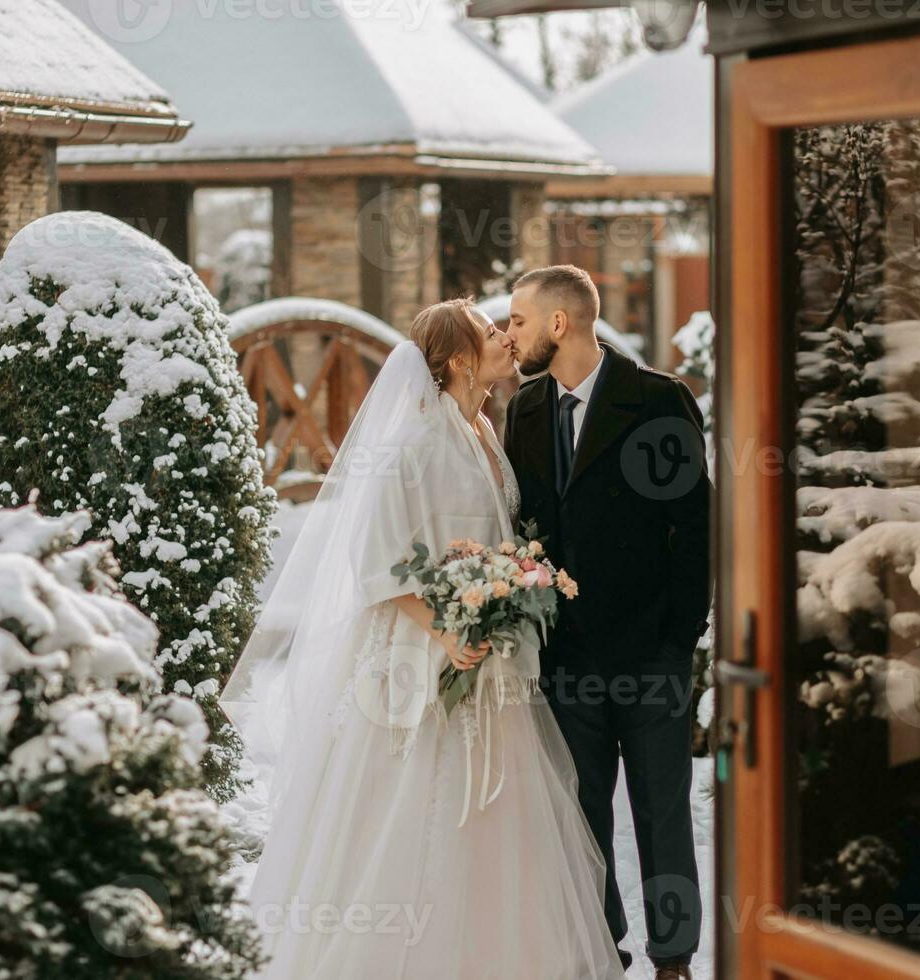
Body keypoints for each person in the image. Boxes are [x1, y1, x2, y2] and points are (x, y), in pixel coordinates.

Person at [221, 299, 626, 980]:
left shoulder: (481, 433)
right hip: (421, 662)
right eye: (489, 333)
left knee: (503, 817)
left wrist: (511, 589)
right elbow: (377, 565)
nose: (504, 337)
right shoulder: (408, 446)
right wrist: (451, 628)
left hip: (489, 664)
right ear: (459, 360)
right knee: (409, 815)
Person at [504, 266, 712, 980]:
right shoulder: (524, 410)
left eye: (519, 321)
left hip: (651, 653)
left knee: (663, 816)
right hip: (565, 658)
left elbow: (695, 526)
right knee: (581, 813)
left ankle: (674, 960)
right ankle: (604, 949)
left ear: (560, 324)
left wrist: (677, 638)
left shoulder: (658, 400)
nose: (511, 335)